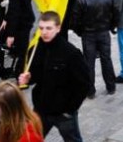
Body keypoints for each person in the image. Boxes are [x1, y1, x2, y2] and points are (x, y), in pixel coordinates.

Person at [18, 11, 91, 141]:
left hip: (63, 112)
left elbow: (84, 84)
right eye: (41, 28)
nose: (44, 32)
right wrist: (28, 79)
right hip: (41, 109)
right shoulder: (35, 49)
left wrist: (69, 109)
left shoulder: (71, 53)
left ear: (58, 28)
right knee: (32, 139)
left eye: (49, 28)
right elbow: (35, 75)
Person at [71, 0, 117, 97]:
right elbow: (115, 15)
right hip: (103, 32)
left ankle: (90, 91)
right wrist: (111, 27)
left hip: (88, 34)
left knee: (89, 62)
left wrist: (80, 32)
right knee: (106, 59)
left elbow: (75, 21)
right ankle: (111, 86)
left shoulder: (81, 0)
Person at [0, 0, 34, 79]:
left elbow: (15, 13)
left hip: (22, 24)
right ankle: (19, 69)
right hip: (27, 21)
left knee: (22, 50)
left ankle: (20, 74)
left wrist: (11, 35)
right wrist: (5, 19)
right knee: (22, 48)